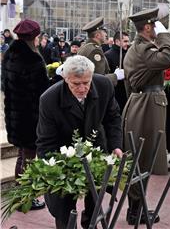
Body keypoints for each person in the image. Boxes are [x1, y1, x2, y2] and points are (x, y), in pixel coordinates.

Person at [36, 55, 123, 229]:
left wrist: (116, 145)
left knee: (95, 196)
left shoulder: (104, 85)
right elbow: (46, 141)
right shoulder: (49, 99)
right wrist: (56, 168)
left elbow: (113, 118)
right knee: (64, 203)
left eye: (86, 82)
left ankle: (90, 222)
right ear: (66, 79)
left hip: (95, 146)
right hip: (62, 152)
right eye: (76, 84)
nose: (83, 88)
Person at [122, 7, 170, 225]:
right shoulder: (144, 48)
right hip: (145, 107)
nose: (157, 28)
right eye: (155, 25)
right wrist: (166, 35)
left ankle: (137, 208)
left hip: (142, 104)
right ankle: (135, 211)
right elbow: (169, 57)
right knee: (141, 160)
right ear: (147, 27)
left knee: (142, 160)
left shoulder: (141, 47)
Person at [1, 19, 48, 211]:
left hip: (15, 114)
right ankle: (24, 199)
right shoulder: (33, 59)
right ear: (34, 37)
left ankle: (20, 196)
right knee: (28, 158)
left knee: (23, 155)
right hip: (30, 116)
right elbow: (42, 90)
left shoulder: (10, 53)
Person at [78, 17, 124, 86]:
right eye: (104, 32)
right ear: (97, 35)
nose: (106, 34)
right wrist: (115, 76)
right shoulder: (95, 51)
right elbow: (98, 79)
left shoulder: (87, 46)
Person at [104, 31, 130, 114]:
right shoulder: (108, 55)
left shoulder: (129, 54)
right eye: (125, 41)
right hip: (116, 94)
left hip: (127, 92)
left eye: (128, 41)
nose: (127, 43)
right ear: (117, 41)